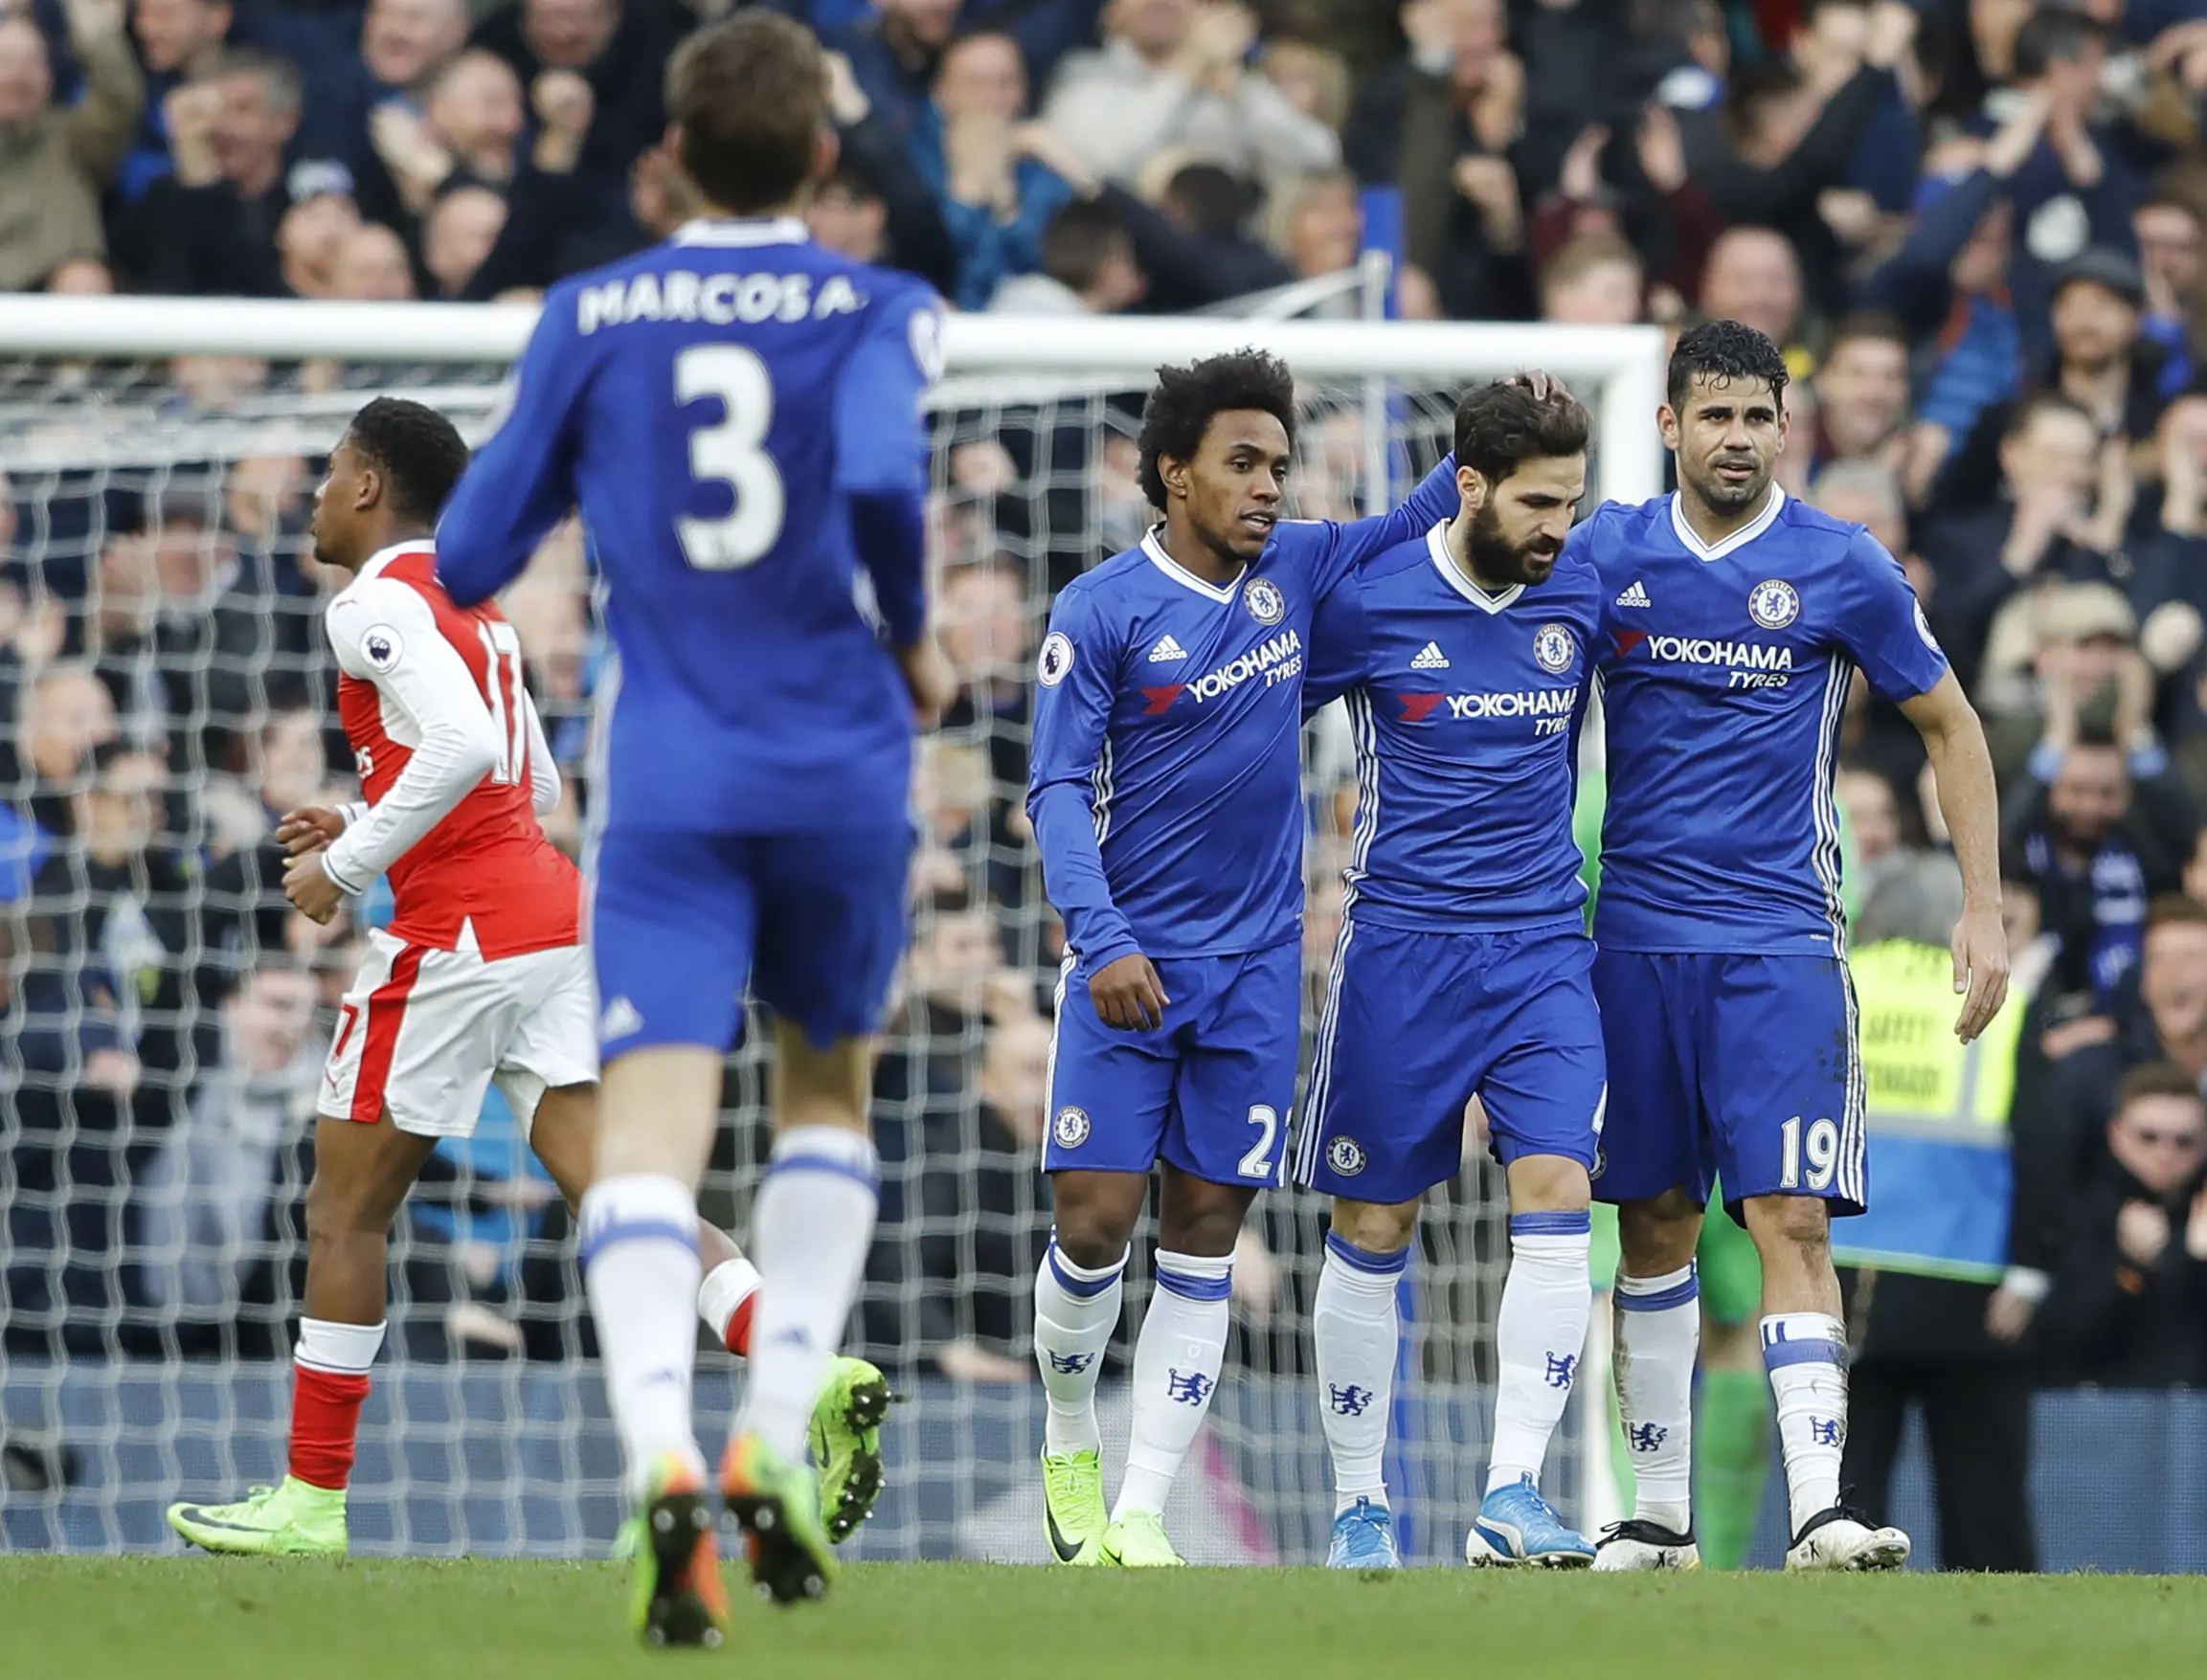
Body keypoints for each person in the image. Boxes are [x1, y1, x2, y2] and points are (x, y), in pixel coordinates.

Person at [432, 12, 945, 1646]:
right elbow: (874, 483)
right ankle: (769, 1447)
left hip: (668, 779)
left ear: (665, 157)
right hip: (839, 770)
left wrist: (596, 463)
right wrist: (917, 633)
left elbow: (467, 549)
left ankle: (661, 1454)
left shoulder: (593, 313)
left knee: (649, 1132)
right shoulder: (881, 307)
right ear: (818, 157)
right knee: (821, 1101)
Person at [163, 400, 877, 1562]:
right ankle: (812, 1360)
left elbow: (470, 756)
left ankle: (310, 1498)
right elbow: (531, 784)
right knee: (616, 1197)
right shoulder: (476, 606)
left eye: (330, 472)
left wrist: (344, 864)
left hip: (459, 940)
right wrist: (371, 807)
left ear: (368, 488)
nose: (310, 493)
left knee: (343, 1208)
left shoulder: (372, 604)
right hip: (554, 919)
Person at [1579, 318, 2010, 1572]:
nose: (1736, 438)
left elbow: (1953, 723)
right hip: (1633, 946)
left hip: (1779, 944)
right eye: (1713, 416)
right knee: (1652, 1221)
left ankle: (1820, 1507)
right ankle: (1657, 1514)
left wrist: (1982, 905)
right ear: (1668, 425)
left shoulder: (1842, 563)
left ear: (1788, 428)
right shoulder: (1607, 552)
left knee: (1792, 1215)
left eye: (1758, 417)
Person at [1024, 349, 1464, 1569]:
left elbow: (1412, 521)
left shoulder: (1298, 570)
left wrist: (1483, 436)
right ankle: (1068, 1432)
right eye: (1242, 464)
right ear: (1172, 475)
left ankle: (1143, 1510)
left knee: (1207, 1228)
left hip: (1260, 973)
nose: (1269, 486)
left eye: (1278, 464)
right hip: (1128, 968)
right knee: (1096, 1221)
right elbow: (1056, 788)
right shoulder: (1100, 610)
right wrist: (1099, 935)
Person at [1295, 378, 1603, 1570]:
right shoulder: (1372, 598)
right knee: (1374, 1220)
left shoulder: (1578, 585)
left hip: (1540, 951)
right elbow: (1255, 727)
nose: (1556, 530)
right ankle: (1360, 1506)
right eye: (1535, 502)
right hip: (1399, 956)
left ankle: (1511, 1493)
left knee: (1559, 1200)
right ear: (1468, 485)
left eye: (1571, 504)